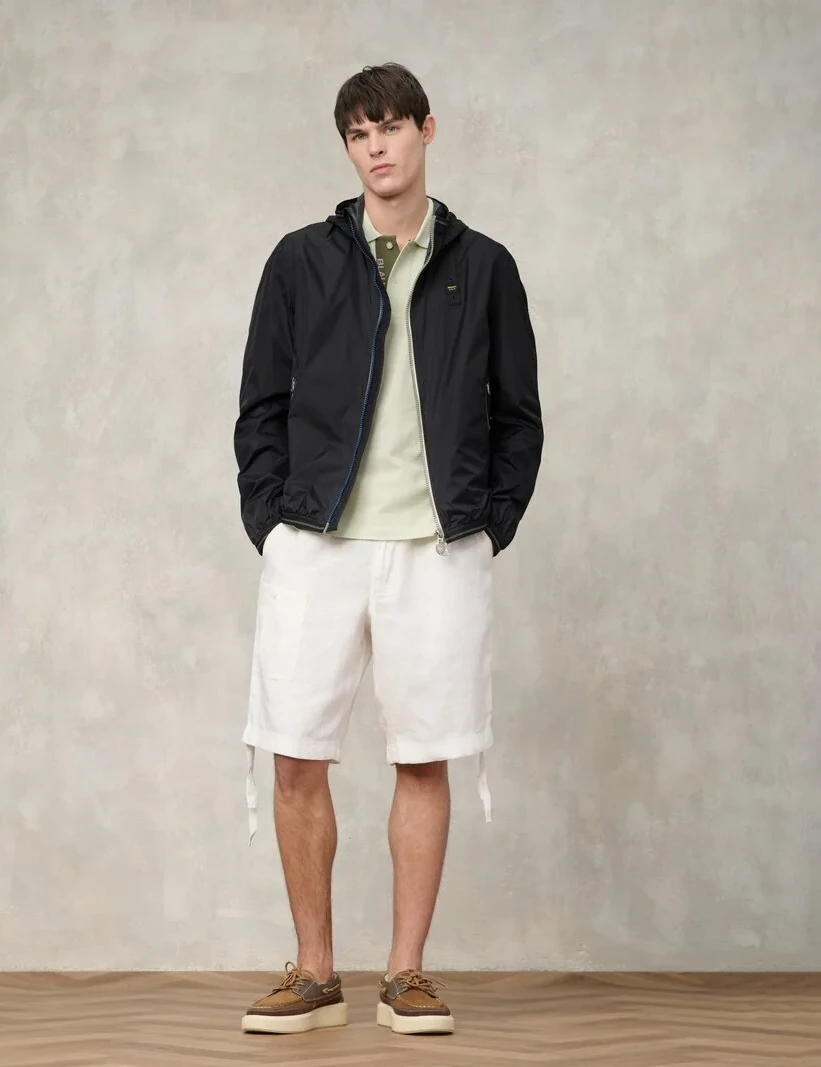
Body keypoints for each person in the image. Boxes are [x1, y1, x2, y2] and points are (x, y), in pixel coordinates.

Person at [232, 62, 543, 1036]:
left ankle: (406, 974)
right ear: (347, 148)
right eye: (358, 134)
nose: (375, 148)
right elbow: (260, 407)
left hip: (435, 547)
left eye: (390, 128)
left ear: (425, 130)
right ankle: (314, 971)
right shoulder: (300, 261)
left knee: (423, 756)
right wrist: (271, 522)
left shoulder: (482, 266)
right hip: (315, 543)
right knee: (294, 754)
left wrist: (487, 522)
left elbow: (518, 417)